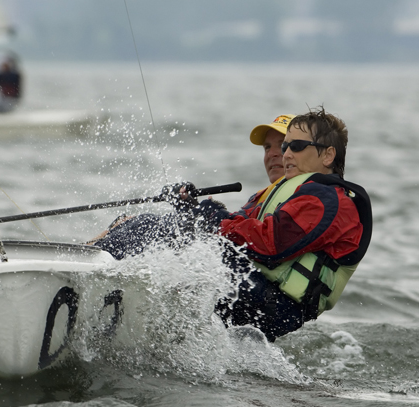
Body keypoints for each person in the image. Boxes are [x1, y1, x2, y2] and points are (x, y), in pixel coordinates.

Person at [198, 107, 372, 341]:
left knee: (191, 248)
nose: (285, 154)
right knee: (181, 234)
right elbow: (238, 224)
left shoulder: (326, 199)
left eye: (295, 146)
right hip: (260, 290)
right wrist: (196, 210)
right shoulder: (289, 192)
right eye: (284, 147)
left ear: (328, 155)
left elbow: (269, 242)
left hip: (275, 305)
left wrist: (212, 219)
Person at [90, 114, 295, 260]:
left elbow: (259, 239)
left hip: (235, 268)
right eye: (267, 147)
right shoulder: (266, 195)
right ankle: (87, 250)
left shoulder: (299, 195)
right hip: (218, 252)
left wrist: (212, 213)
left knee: (142, 224)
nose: (272, 154)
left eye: (282, 145)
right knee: (128, 220)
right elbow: (237, 226)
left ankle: (90, 257)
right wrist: (189, 206)